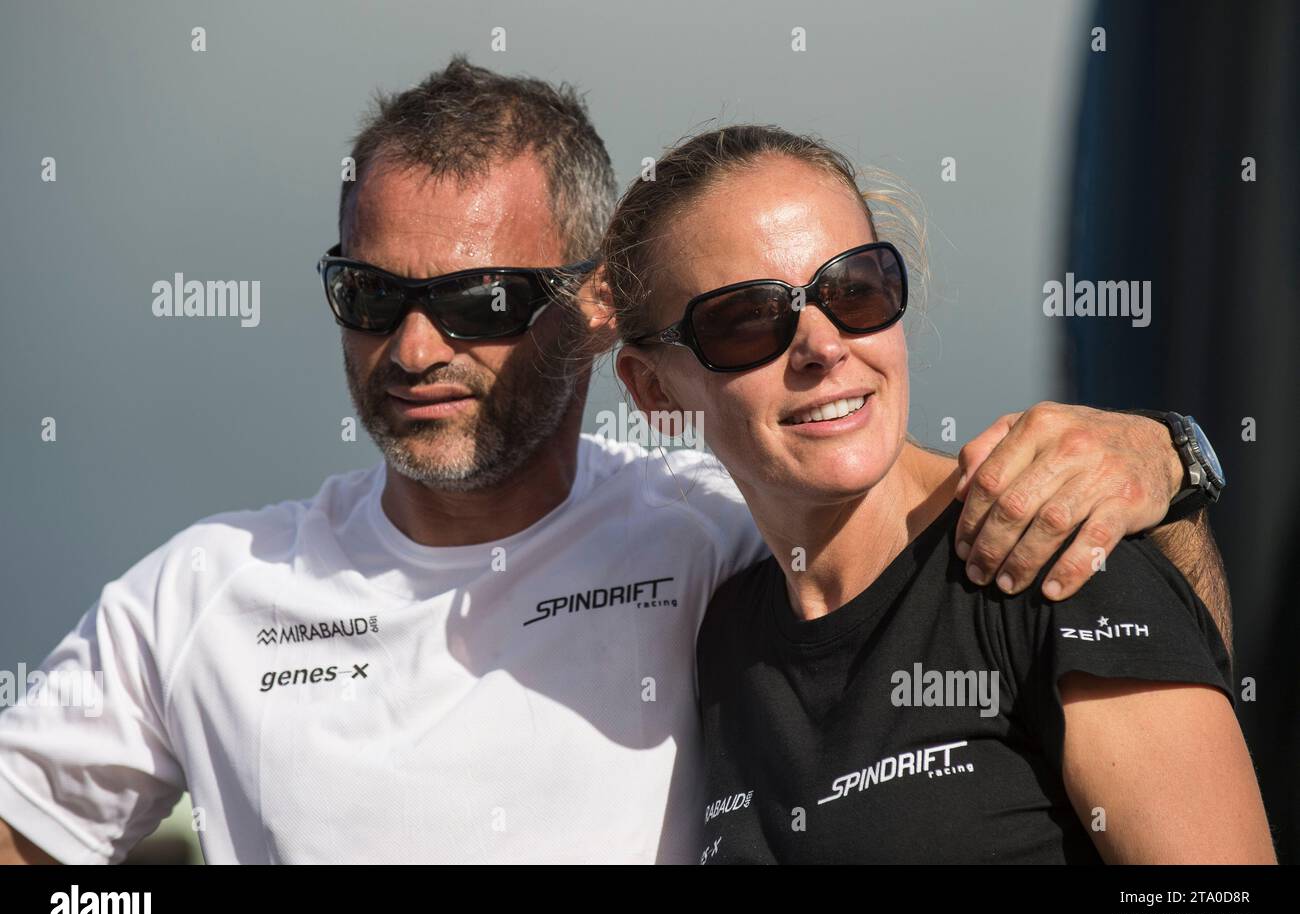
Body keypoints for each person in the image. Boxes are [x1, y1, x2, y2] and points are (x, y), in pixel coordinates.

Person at [0, 60, 1232, 865]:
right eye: (370, 293)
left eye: (482, 298)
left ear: (591, 320)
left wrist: (1162, 459)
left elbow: (942, 513)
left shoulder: (720, 529)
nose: (416, 344)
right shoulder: (200, 593)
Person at [600, 124, 1274, 863]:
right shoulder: (722, 643)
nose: (824, 346)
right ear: (656, 390)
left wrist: (1175, 460)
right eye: (749, 319)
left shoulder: (1048, 548)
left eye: (853, 289)